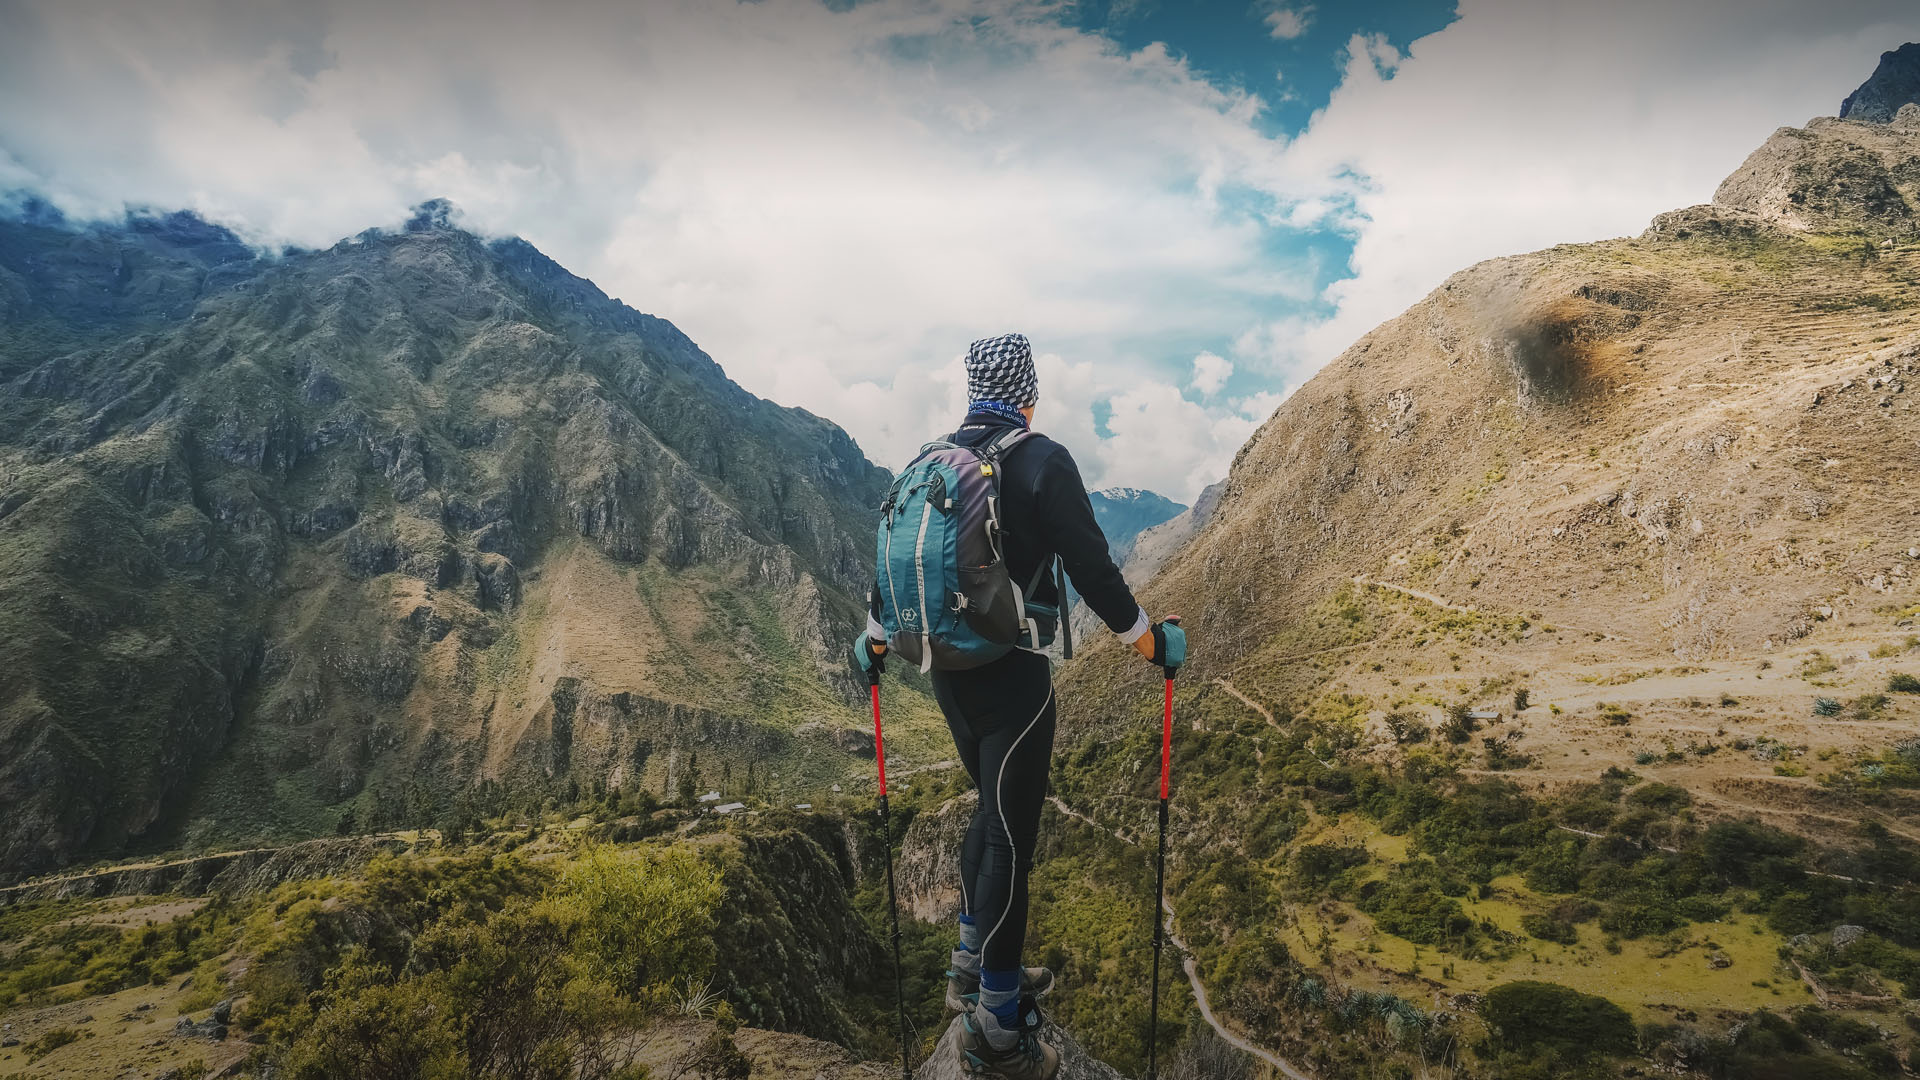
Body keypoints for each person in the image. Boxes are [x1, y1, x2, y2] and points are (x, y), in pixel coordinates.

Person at [851, 333, 1186, 1080]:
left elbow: (888, 576)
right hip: (1013, 680)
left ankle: (969, 966)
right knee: (1011, 840)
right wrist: (1149, 644)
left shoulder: (928, 463)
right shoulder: (1041, 461)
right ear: (1029, 389)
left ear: (973, 388)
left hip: (944, 673)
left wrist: (871, 649)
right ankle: (998, 1026)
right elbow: (1094, 569)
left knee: (986, 810)